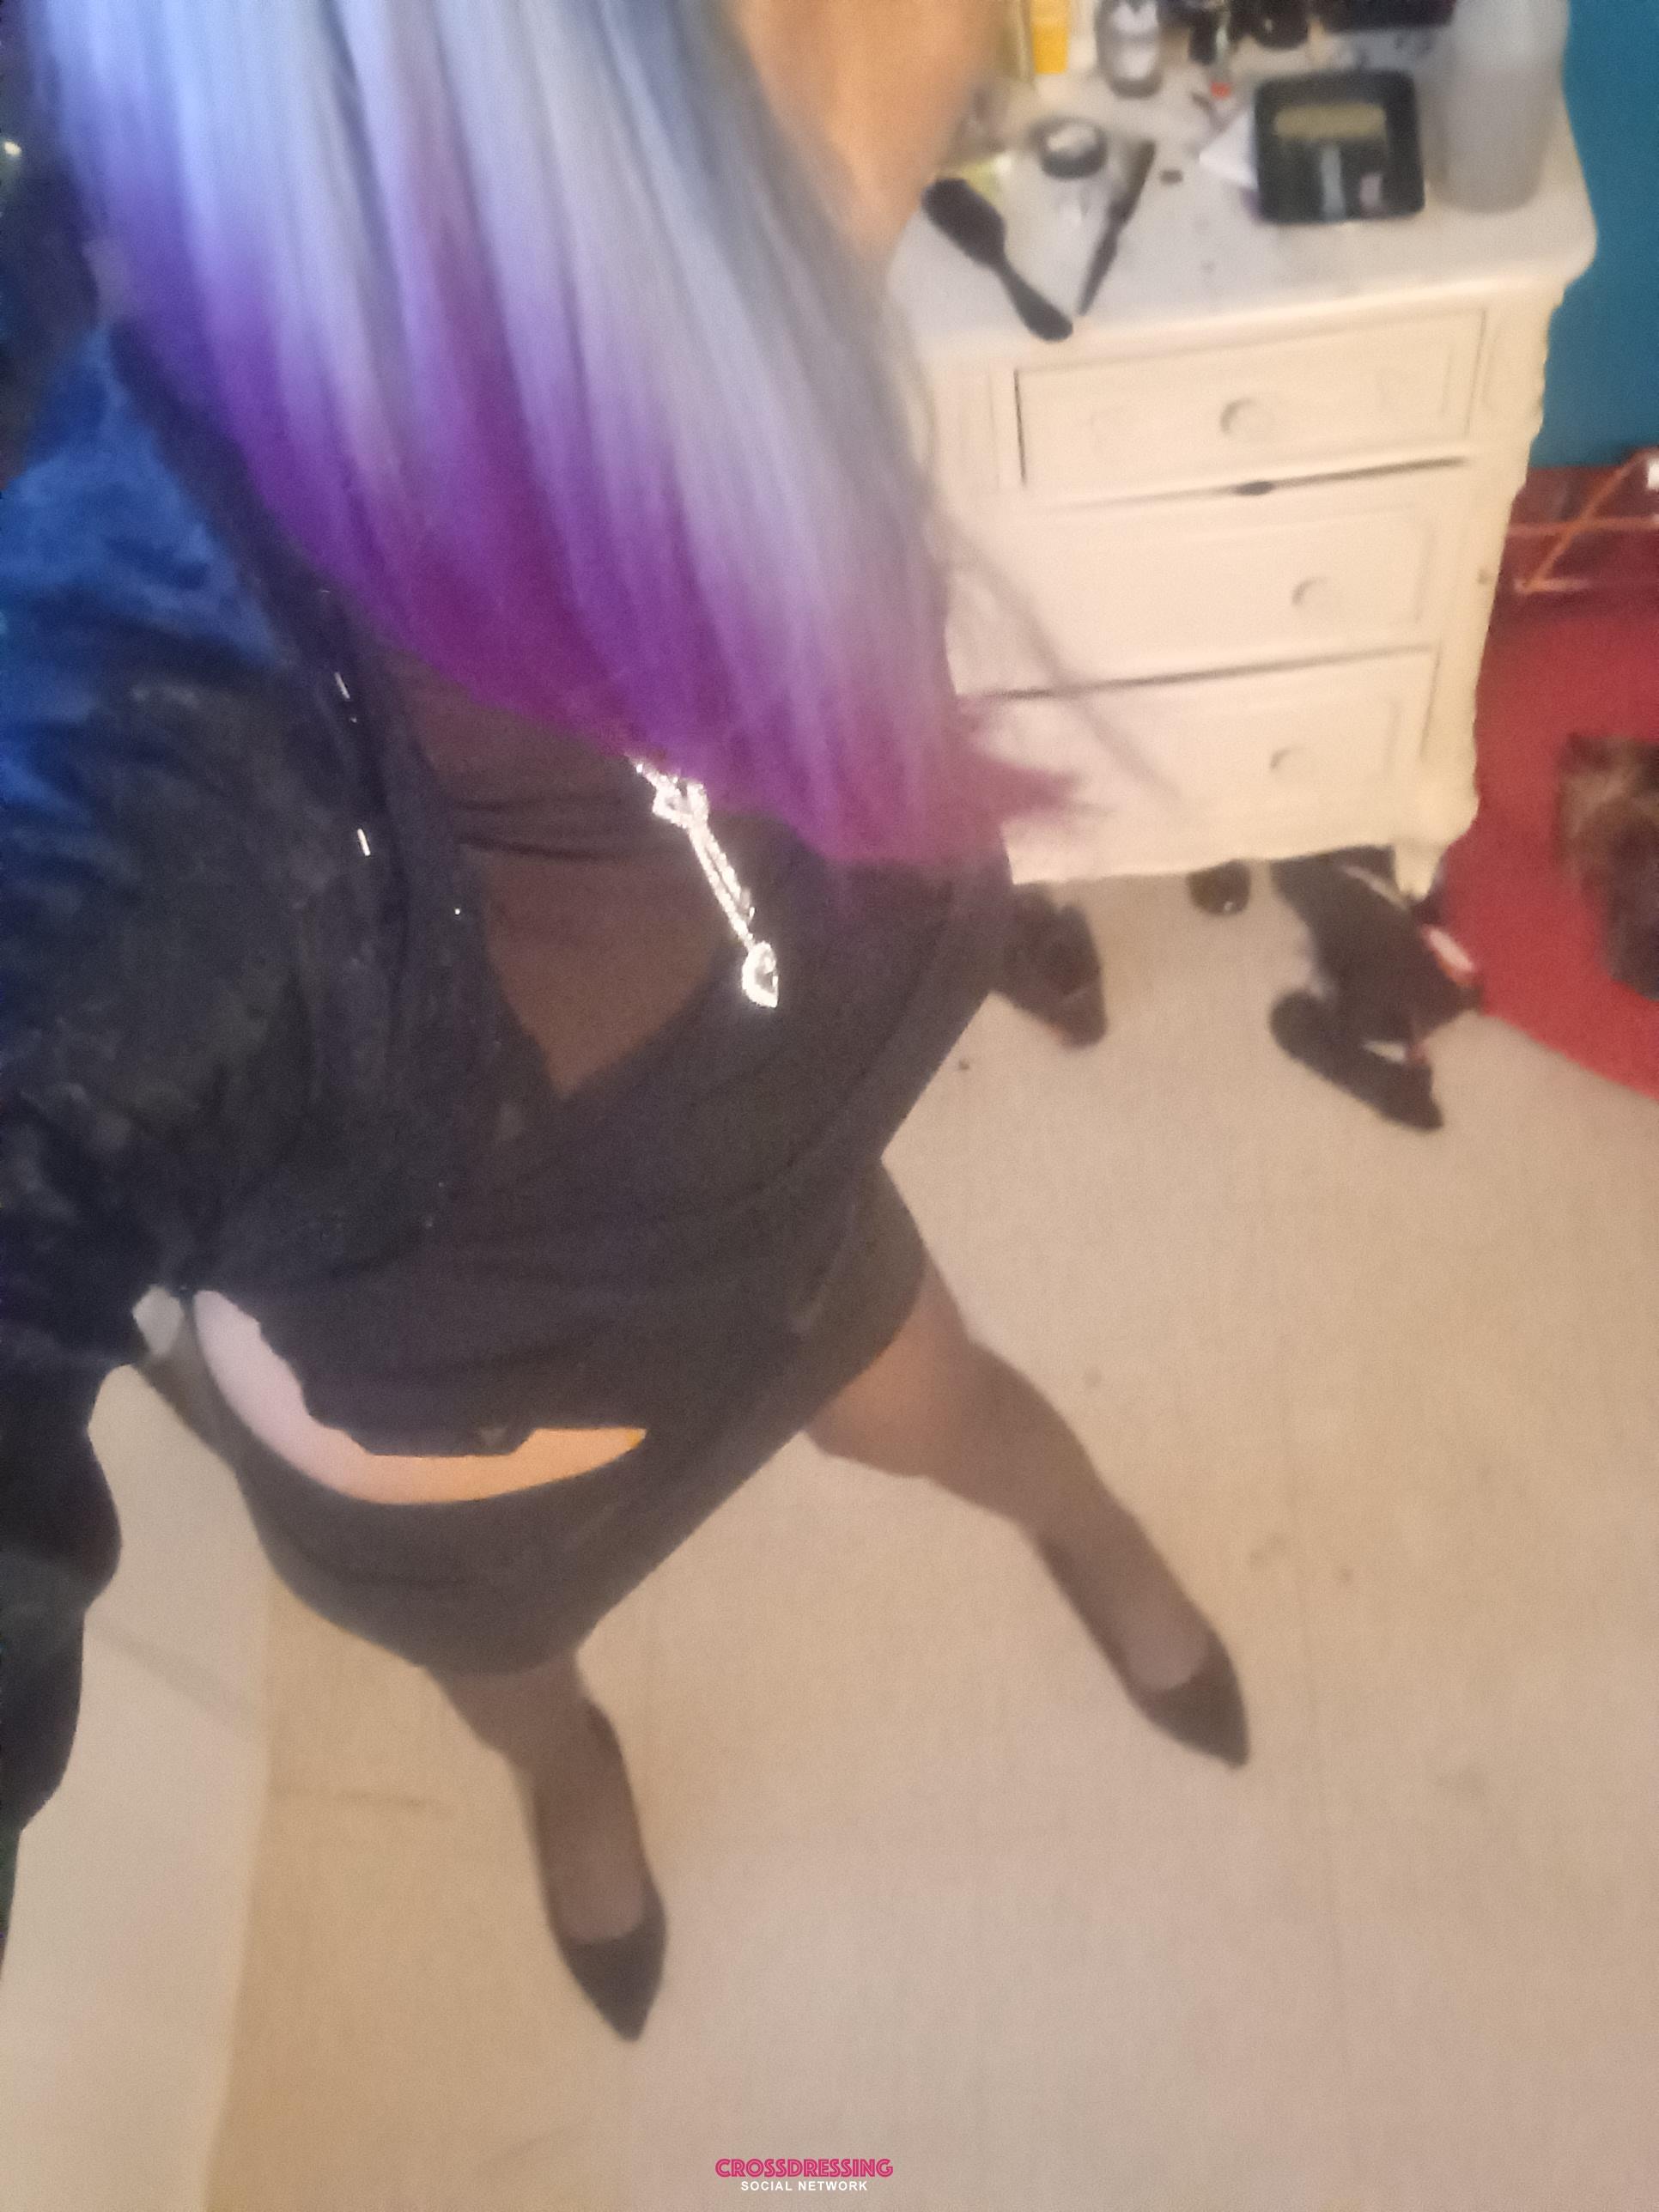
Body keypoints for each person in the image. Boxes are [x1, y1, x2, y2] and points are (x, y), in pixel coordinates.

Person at [0, 0, 1245, 2043]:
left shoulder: (762, 362)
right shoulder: (143, 734)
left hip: (782, 1246)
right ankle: (566, 1770)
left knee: (969, 1419)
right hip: (446, 1482)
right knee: (515, 1683)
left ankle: (1086, 1530)